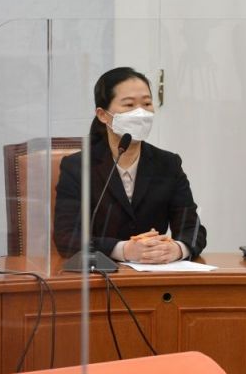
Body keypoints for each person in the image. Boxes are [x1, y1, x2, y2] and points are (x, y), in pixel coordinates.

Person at [54, 66, 206, 263]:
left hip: (153, 273)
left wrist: (176, 249)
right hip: (99, 274)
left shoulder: (168, 164)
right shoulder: (77, 167)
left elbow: (193, 229)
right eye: (129, 105)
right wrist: (124, 250)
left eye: (147, 103)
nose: (140, 113)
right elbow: (66, 237)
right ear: (102, 115)